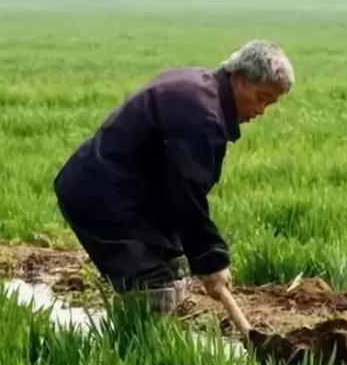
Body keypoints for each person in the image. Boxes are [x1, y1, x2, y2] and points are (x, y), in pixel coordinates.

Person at [52, 40, 294, 314]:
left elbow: (177, 187)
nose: (260, 111)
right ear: (238, 78)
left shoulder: (202, 90)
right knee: (153, 288)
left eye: (269, 104)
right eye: (261, 98)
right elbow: (185, 190)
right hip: (102, 196)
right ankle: (137, 354)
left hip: (120, 191)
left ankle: (147, 347)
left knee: (170, 274)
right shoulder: (202, 114)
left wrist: (203, 257)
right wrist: (211, 259)